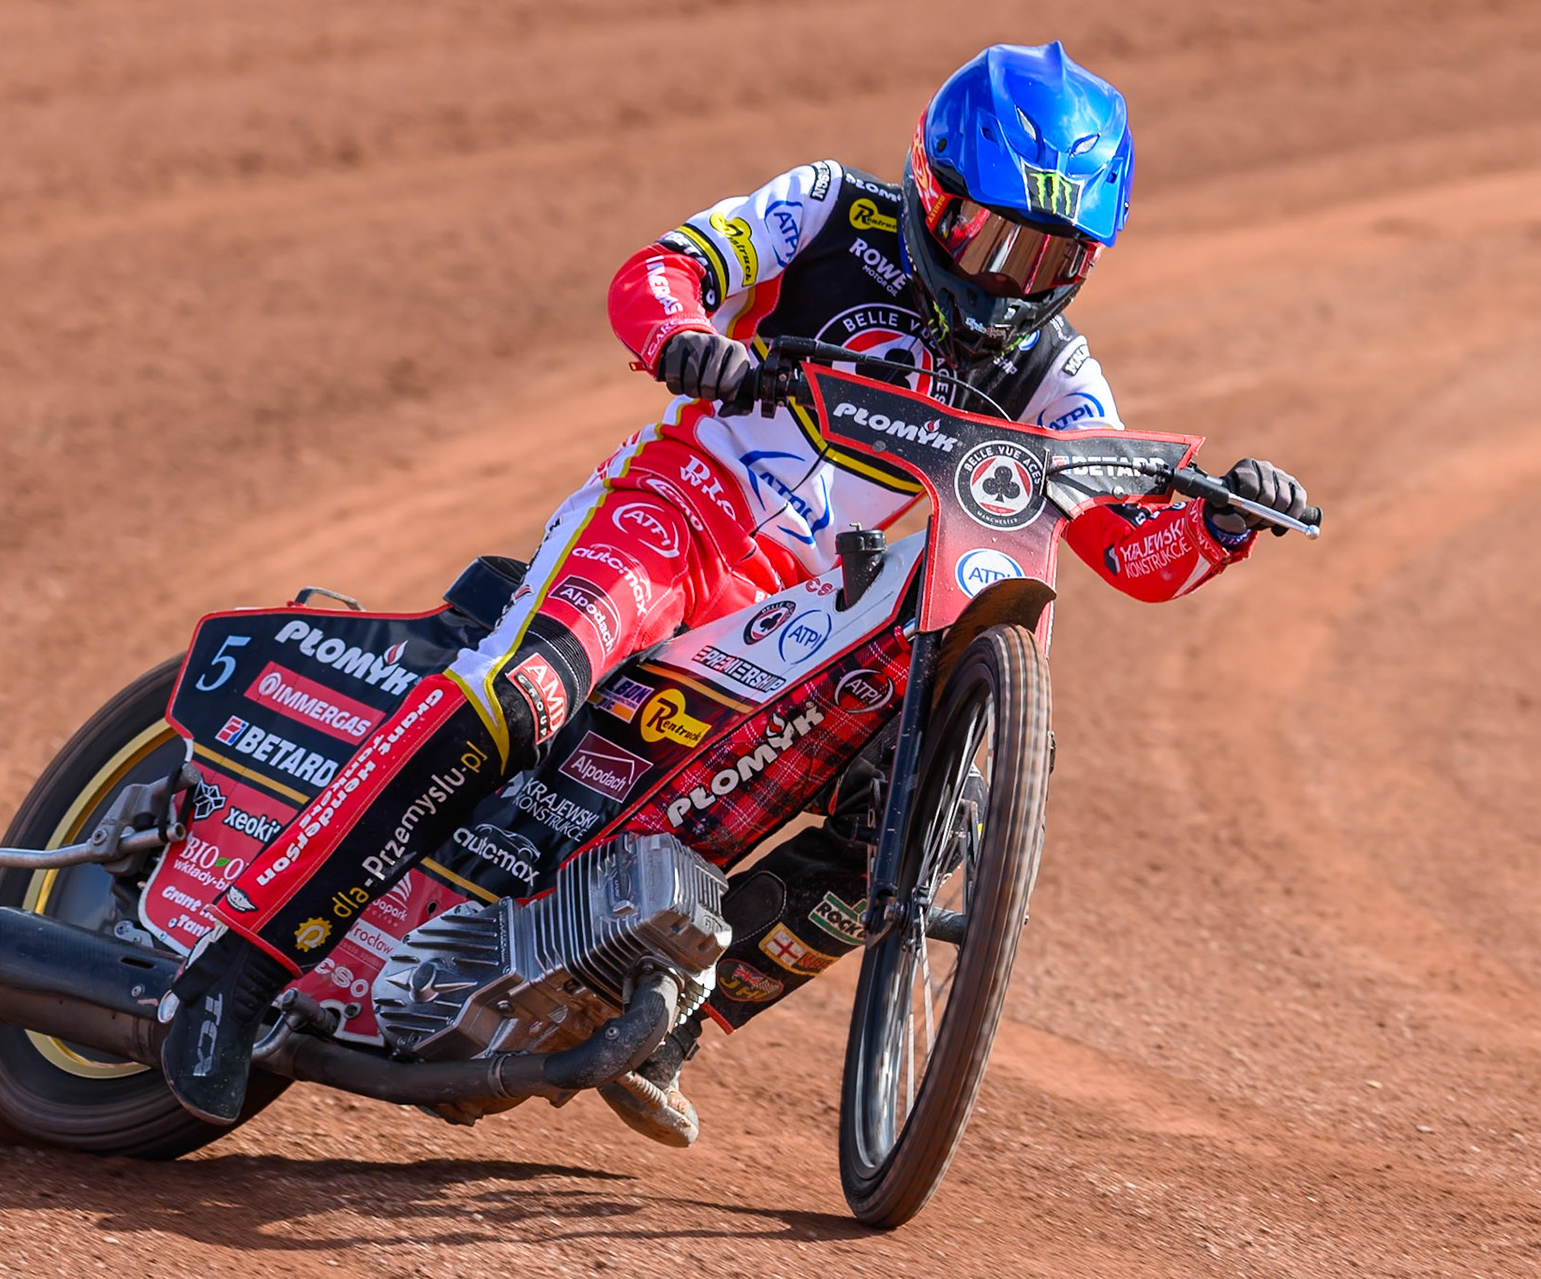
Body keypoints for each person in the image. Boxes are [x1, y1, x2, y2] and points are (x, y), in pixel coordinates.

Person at [156, 40, 1310, 1141]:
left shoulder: (1053, 368)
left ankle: (668, 1019)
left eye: (1052, 262)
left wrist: (1215, 522)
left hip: (800, 602)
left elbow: (1122, 541)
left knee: (900, 817)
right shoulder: (830, 206)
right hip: (673, 516)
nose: (1016, 283)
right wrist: (683, 338)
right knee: (522, 698)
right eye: (995, 240)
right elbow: (661, 271)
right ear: (932, 183)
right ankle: (242, 963)